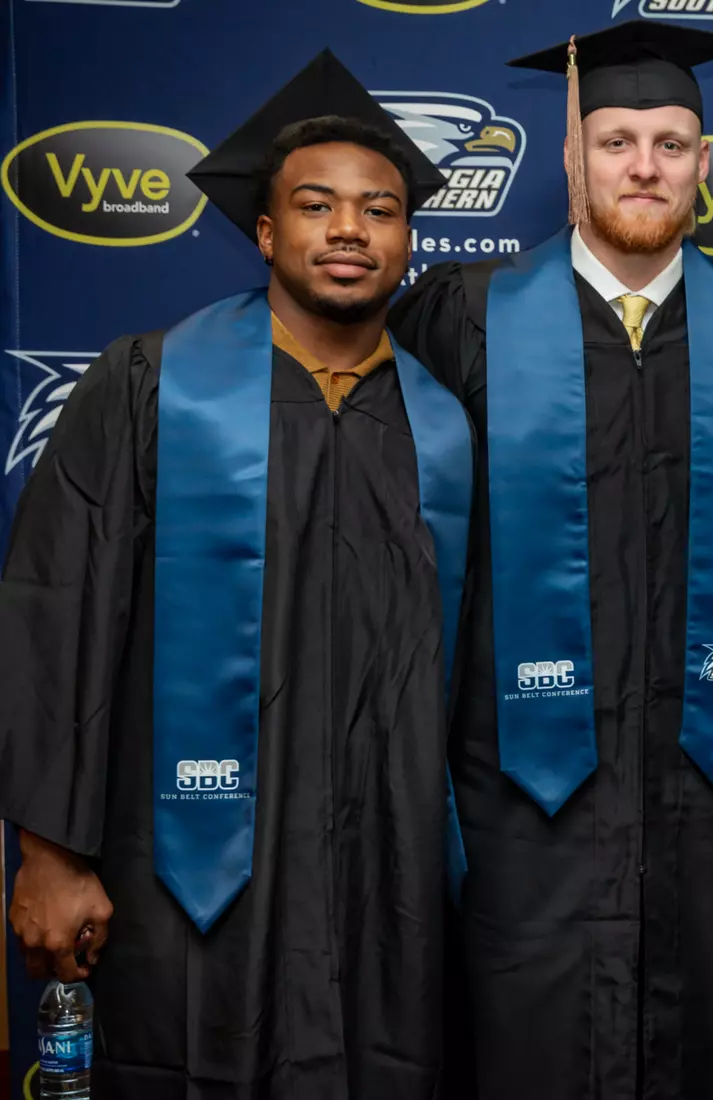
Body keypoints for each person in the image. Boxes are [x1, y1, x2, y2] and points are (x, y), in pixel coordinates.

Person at [0, 51, 473, 1098]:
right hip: (185, 858)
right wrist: (48, 851)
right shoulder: (149, 385)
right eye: (317, 205)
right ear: (267, 232)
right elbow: (54, 612)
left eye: (380, 209)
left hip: (379, 866)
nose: (349, 229)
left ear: (407, 240)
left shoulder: (442, 426)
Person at [388, 19, 713, 1099]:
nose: (644, 165)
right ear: (571, 160)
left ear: (703, 165)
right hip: (522, 778)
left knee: (693, 1044)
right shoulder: (468, 314)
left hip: (700, 783)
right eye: (616, 140)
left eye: (671, 143)